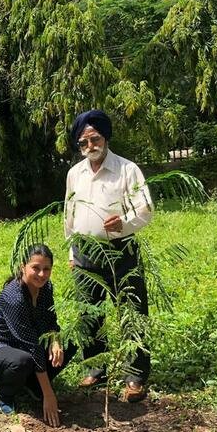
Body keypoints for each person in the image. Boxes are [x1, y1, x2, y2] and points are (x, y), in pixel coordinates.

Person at [63, 109, 153, 403]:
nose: (90, 146)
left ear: (106, 137)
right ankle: (96, 368)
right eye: (83, 142)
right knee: (90, 315)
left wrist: (124, 223)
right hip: (85, 255)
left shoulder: (128, 170)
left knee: (132, 314)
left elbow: (145, 209)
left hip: (121, 253)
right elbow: (69, 214)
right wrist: (70, 250)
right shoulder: (74, 174)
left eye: (94, 139)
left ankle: (135, 376)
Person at [0, 244, 74, 427]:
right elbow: (32, 345)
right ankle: (5, 392)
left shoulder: (46, 288)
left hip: (27, 345)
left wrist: (55, 340)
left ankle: (33, 386)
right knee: (22, 360)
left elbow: (51, 319)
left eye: (46, 269)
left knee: (69, 342)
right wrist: (49, 394)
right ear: (23, 266)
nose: (41, 274)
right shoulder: (13, 296)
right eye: (35, 268)